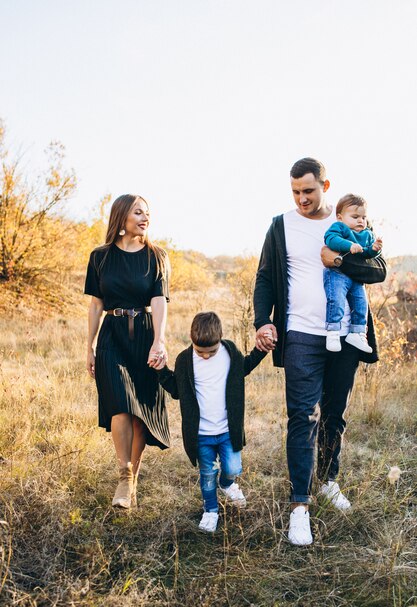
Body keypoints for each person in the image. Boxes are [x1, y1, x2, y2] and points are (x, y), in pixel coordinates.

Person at [254, 158, 386, 546]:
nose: (301, 199)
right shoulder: (281, 226)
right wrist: (264, 320)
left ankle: (329, 481)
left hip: (346, 337)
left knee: (334, 414)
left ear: (325, 187)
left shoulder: (347, 224)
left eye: (308, 191)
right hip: (301, 336)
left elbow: (378, 271)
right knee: (301, 415)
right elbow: (264, 278)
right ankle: (299, 506)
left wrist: (340, 260)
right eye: (295, 192)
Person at [85, 194, 170, 509]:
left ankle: (132, 478)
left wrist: (158, 341)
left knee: (140, 416)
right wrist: (89, 346)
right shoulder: (100, 258)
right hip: (112, 335)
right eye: (138, 212)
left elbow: (160, 301)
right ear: (121, 219)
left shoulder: (156, 257)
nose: (145, 218)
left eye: (147, 213)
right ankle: (124, 474)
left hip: (145, 335)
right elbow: (95, 304)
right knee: (119, 404)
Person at [156, 311, 267, 533]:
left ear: (220, 340)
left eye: (211, 351)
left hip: (227, 429)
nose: (206, 356)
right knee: (207, 475)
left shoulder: (230, 353)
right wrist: (160, 370)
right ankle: (210, 510)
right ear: (192, 341)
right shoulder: (185, 361)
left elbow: (244, 367)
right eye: (201, 352)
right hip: (201, 434)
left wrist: (260, 351)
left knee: (233, 467)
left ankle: (227, 484)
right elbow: (177, 390)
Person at [324, 193, 383, 353]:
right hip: (337, 274)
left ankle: (357, 333)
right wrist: (348, 245)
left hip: (356, 277)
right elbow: (330, 239)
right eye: (355, 216)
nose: (360, 221)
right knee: (336, 300)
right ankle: (333, 332)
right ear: (340, 217)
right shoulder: (340, 227)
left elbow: (368, 255)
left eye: (364, 217)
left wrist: (374, 250)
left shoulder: (367, 234)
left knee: (361, 304)